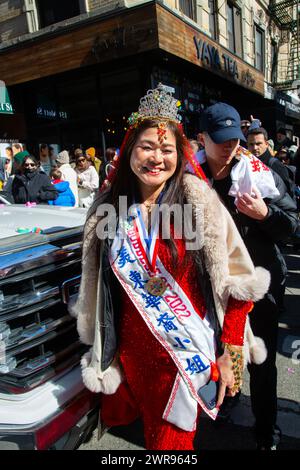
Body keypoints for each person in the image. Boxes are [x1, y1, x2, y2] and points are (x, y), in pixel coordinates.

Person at [70, 85, 271, 451]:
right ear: (130, 149)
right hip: (132, 357)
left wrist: (234, 358)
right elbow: (100, 290)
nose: (156, 158)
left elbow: (238, 284)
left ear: (179, 155)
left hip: (185, 354)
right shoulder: (106, 208)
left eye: (166, 149)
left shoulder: (197, 200)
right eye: (147, 147)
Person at [196, 102, 298, 450]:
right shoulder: (190, 178)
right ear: (202, 139)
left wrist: (265, 213)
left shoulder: (260, 173)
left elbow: (292, 226)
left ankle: (265, 429)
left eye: (235, 139)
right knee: (221, 351)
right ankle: (225, 401)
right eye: (221, 140)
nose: (231, 147)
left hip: (259, 285)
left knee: (262, 362)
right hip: (211, 288)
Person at [247, 127, 295, 198]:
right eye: (251, 144)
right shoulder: (246, 163)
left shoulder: (275, 165)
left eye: (258, 144)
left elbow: (287, 196)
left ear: (266, 144)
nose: (255, 148)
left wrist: (268, 208)